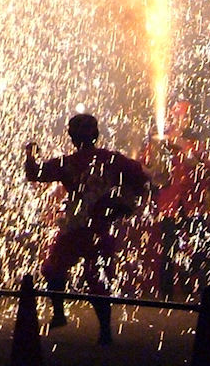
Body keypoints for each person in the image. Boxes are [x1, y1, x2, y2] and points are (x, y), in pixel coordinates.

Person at [24, 113, 150, 345]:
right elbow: (142, 179)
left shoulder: (70, 163)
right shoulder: (110, 160)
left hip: (80, 228)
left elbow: (35, 173)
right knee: (94, 278)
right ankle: (103, 331)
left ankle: (63, 315)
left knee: (57, 269)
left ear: (73, 136)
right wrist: (126, 205)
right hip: (96, 227)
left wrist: (29, 155)